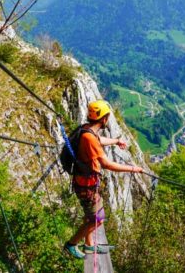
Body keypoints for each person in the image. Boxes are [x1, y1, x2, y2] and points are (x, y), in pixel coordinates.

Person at [64, 100, 144, 259]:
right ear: (104, 119)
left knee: (91, 216)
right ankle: (71, 244)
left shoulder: (85, 130)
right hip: (86, 185)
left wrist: (115, 141)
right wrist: (133, 169)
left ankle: (89, 245)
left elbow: (99, 141)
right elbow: (106, 164)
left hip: (85, 183)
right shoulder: (89, 138)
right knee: (97, 219)